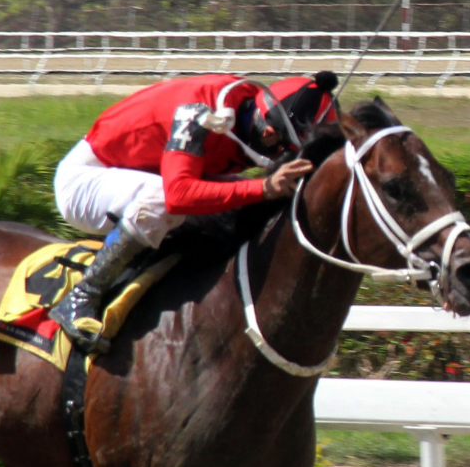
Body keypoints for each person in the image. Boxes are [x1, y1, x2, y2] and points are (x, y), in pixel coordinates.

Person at [50, 70, 339, 352]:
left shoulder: (254, 109)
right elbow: (178, 196)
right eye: (283, 152)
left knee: (242, 200)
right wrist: (263, 188)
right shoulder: (198, 113)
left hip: (147, 173)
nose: (279, 160)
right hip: (87, 180)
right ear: (269, 132)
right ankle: (83, 295)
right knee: (162, 200)